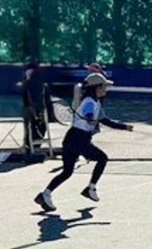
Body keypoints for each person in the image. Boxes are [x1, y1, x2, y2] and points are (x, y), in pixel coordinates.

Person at [34, 64, 133, 211]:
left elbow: (106, 121)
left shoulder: (96, 103)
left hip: (72, 139)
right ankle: (90, 188)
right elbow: (88, 112)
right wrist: (90, 118)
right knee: (102, 158)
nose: (106, 89)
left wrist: (124, 127)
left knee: (67, 172)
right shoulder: (89, 102)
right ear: (96, 87)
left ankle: (45, 194)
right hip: (79, 139)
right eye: (104, 86)